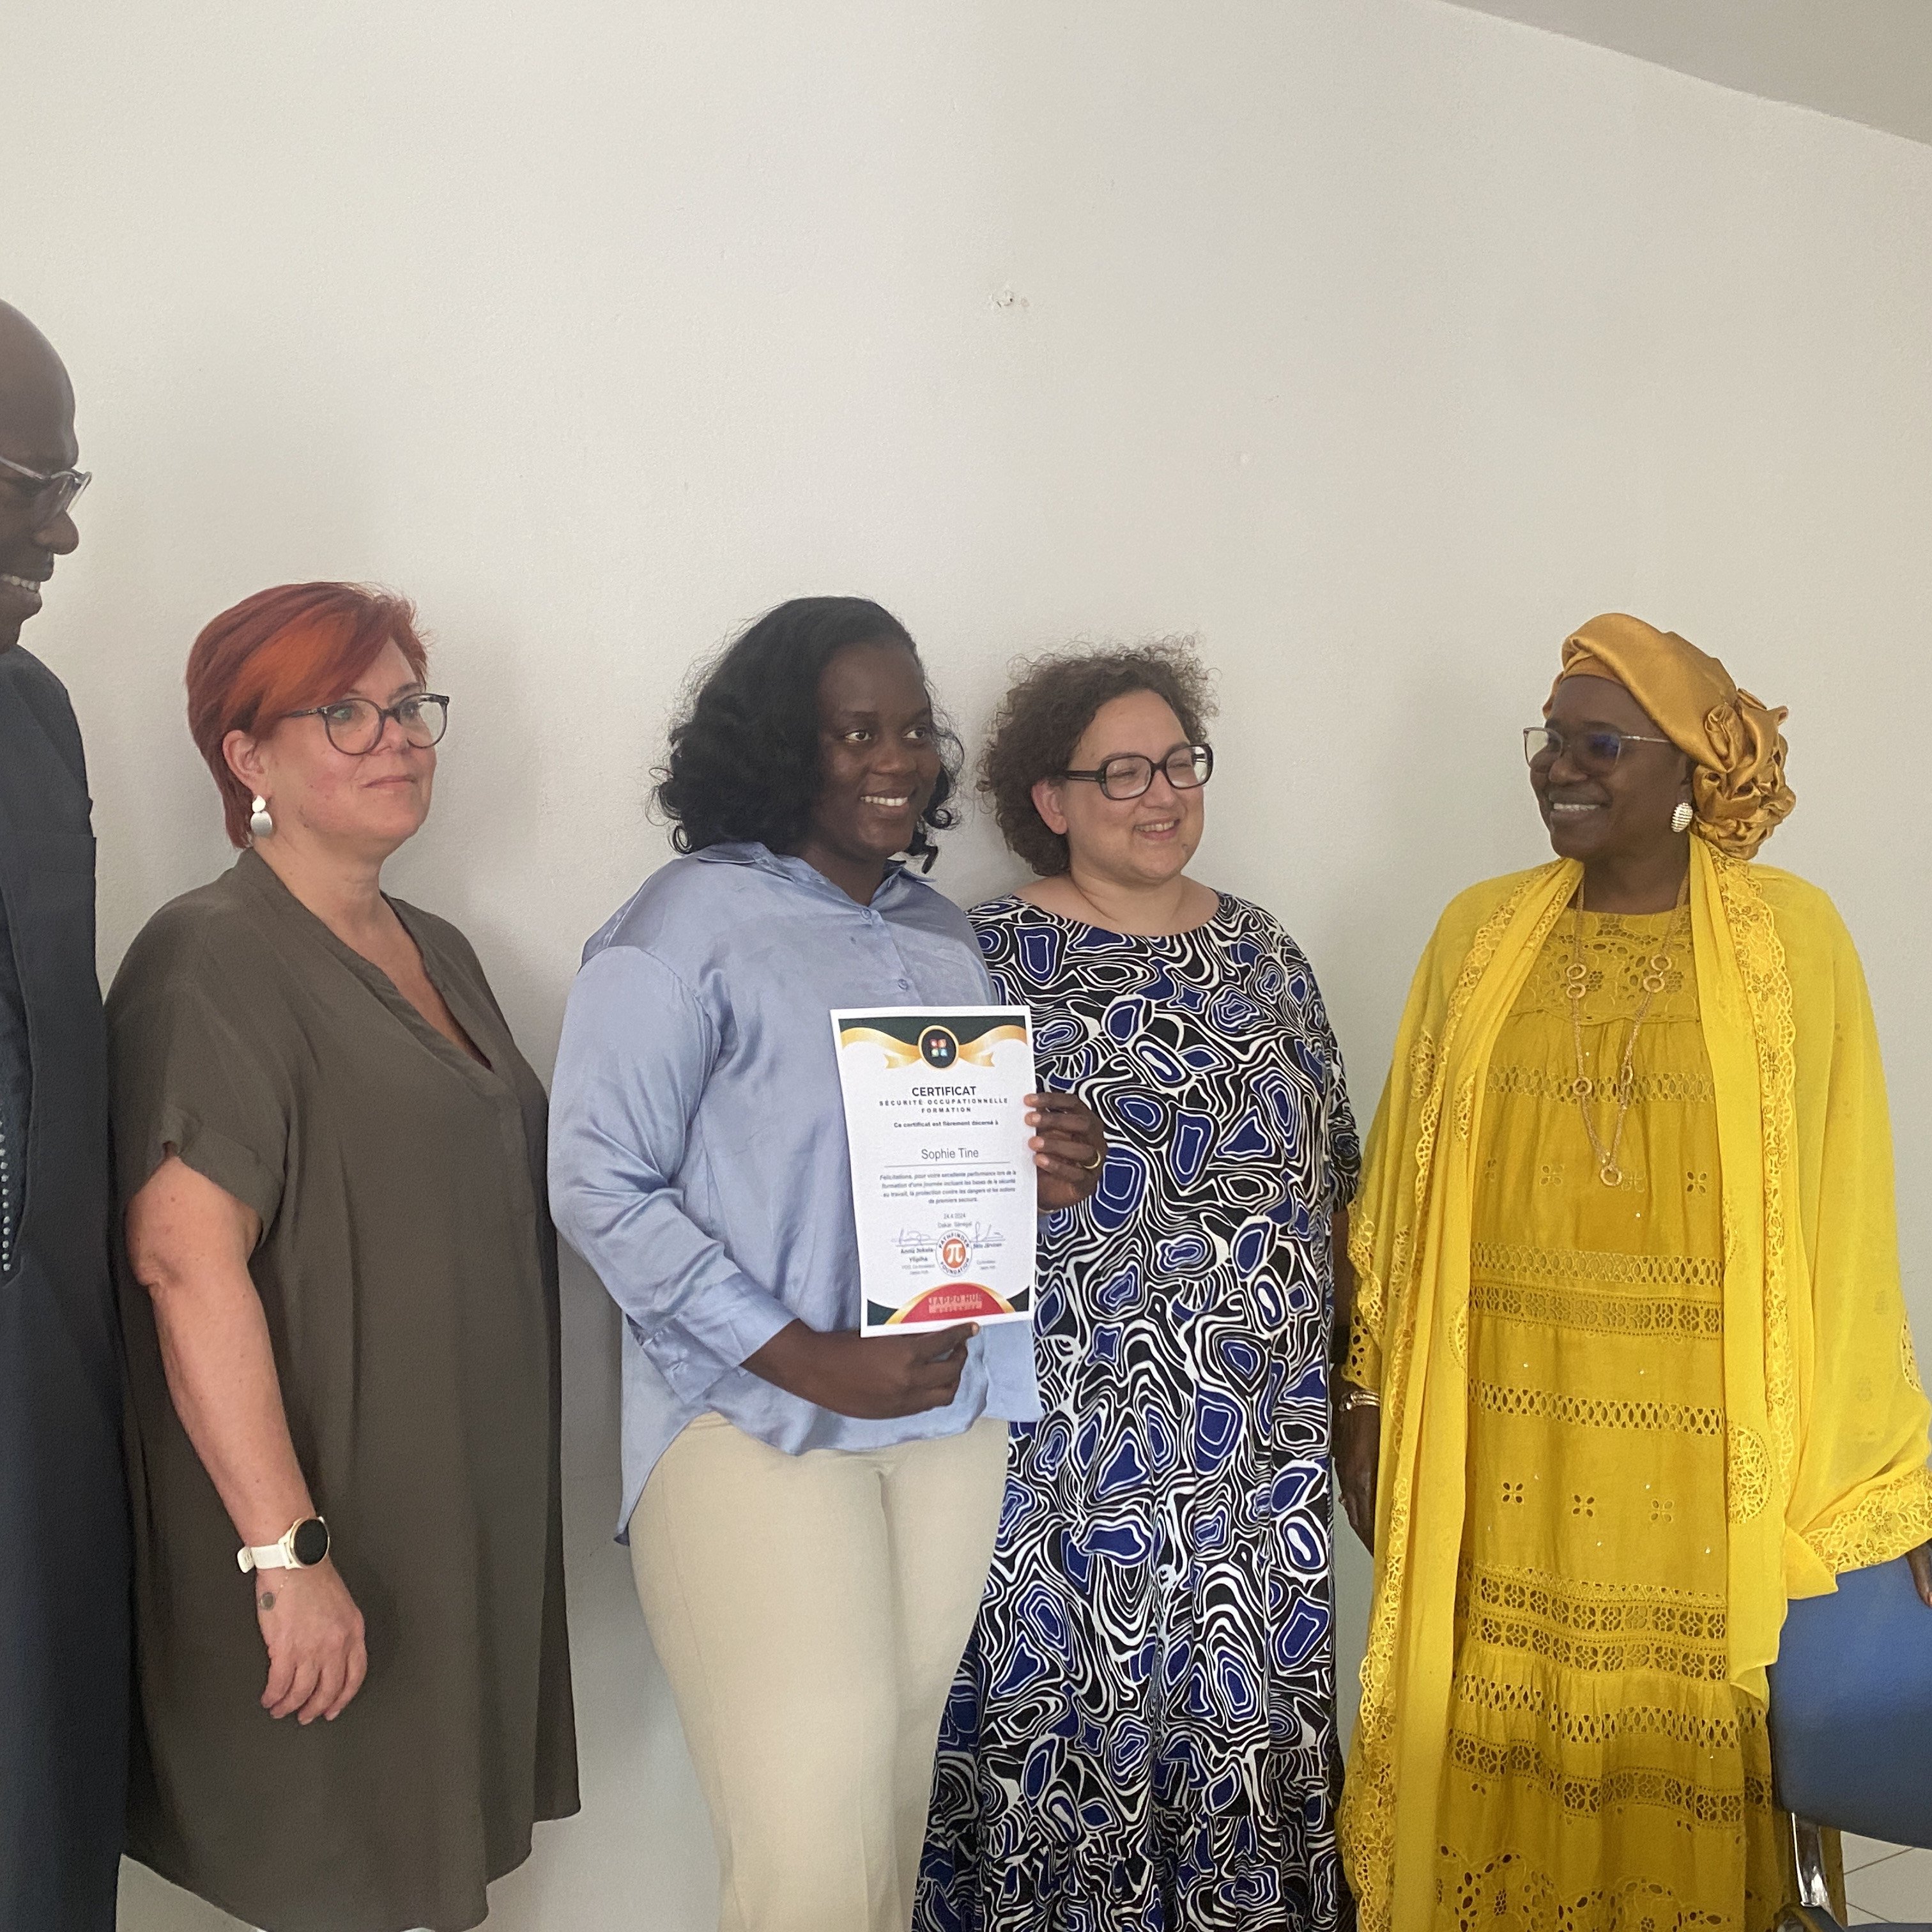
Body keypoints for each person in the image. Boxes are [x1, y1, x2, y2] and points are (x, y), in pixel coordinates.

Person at [1334, 614, 1932, 1932]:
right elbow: (1401, 1189)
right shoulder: (1477, 935)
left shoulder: (1792, 941)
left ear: (1687, 771)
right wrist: (1366, 1396)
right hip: (1506, 1435)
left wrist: (1894, 1486)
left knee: (1677, 1737)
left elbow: (1845, 1220)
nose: (1559, 767)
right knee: (1504, 1720)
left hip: (1701, 1458)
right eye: (1549, 740)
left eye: (1599, 744)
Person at [548, 596, 1107, 1932]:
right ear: (778, 746)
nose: (896, 758)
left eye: (913, 729)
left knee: (887, 1817)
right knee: (809, 1841)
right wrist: (799, 1352)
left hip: (948, 1415)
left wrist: (1039, 1166)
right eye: (856, 731)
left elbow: (920, 1170)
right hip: (753, 1425)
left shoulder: (939, 933)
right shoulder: (682, 928)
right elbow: (595, 1181)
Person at [109, 582, 578, 1932]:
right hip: (321, 1532)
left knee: (419, 1882)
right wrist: (289, 1553)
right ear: (245, 758)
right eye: (345, 712)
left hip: (448, 1524)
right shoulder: (210, 957)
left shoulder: (441, 951)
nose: (397, 737)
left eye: (408, 704)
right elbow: (183, 1266)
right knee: (338, 1880)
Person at [920, 643, 1360, 1931]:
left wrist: (1353, 1390)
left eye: (1179, 762)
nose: (1161, 793)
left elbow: (1338, 1182)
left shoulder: (1264, 952)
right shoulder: (981, 958)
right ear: (1048, 799)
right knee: (1069, 1751)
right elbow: (918, 1205)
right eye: (1121, 772)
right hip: (1065, 1464)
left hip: (1258, 1469)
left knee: (1250, 1753)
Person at [0, 300, 129, 1932]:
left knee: (38, 1815)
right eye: (33, 485)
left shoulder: (31, 714)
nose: (62, 530)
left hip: (44, 1368)